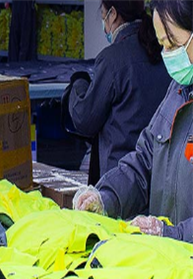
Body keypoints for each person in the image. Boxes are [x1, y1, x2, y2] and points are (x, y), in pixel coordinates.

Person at [74, 0, 193, 244]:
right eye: (163, 46)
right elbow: (144, 162)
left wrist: (172, 234)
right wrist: (106, 197)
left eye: (175, 45)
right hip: (168, 268)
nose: (168, 55)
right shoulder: (177, 91)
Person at [64, 0, 171, 184]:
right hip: (160, 177)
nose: (104, 25)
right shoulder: (164, 52)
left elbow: (85, 119)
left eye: (103, 17)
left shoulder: (113, 59)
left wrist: (79, 83)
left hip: (121, 179)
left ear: (112, 14)